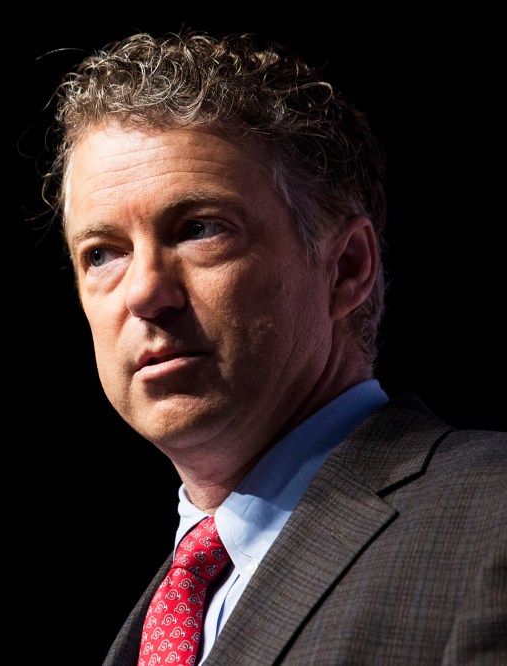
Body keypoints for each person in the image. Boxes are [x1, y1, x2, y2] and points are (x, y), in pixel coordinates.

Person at [38, 29, 507, 665]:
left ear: (346, 269)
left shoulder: (491, 522)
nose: (145, 291)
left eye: (200, 229)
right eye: (102, 254)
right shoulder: (169, 606)